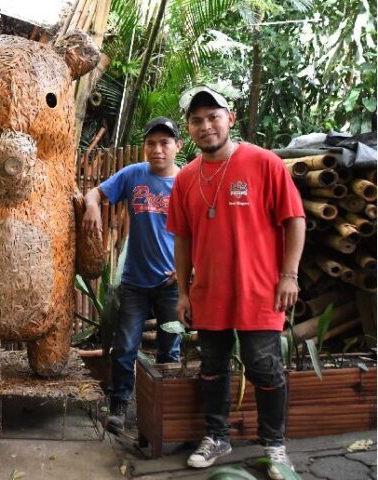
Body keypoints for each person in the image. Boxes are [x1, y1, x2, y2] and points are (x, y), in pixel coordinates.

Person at [167, 86, 305, 480]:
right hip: (209, 292)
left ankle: (275, 447)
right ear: (189, 129)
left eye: (213, 116)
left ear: (231, 117)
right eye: (197, 120)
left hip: (260, 289)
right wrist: (181, 292)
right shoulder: (187, 177)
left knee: (265, 367)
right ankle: (216, 436)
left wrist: (289, 275)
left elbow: (295, 219)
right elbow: (183, 238)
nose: (206, 125)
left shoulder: (265, 163)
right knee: (211, 365)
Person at [82, 117, 183, 433]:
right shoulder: (133, 175)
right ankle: (119, 406)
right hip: (135, 284)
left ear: (178, 146)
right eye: (151, 143)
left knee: (171, 347)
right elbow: (94, 194)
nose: (157, 149)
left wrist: (186, 269)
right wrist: (93, 207)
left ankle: (165, 410)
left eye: (165, 143)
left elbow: (206, 230)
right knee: (125, 347)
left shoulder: (188, 182)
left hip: (172, 286)